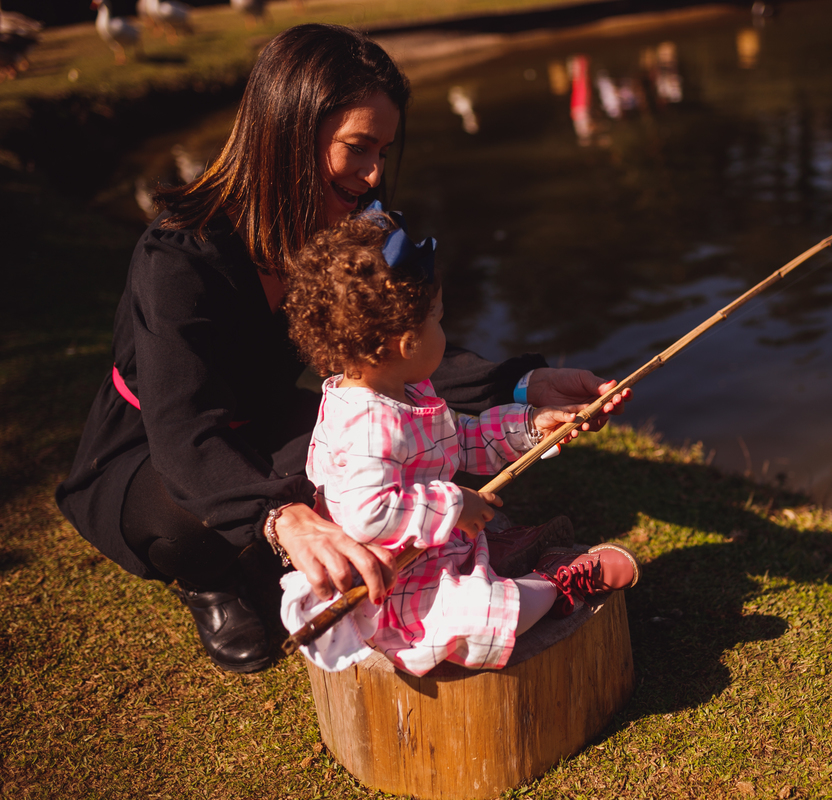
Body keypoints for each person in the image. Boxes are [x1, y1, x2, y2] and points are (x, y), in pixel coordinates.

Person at [55, 23, 630, 674]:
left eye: (383, 150)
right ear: (289, 130)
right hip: (151, 452)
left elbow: (396, 350)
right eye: (359, 148)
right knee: (195, 517)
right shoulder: (180, 255)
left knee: (400, 451)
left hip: (267, 424)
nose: (374, 173)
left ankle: (409, 570)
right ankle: (211, 578)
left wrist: (521, 387)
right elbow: (185, 434)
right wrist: (282, 517)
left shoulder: (345, 226)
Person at [279, 211, 638, 674]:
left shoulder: (404, 392)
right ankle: (555, 581)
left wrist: (532, 427)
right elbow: (369, 512)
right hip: (396, 575)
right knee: (481, 624)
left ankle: (510, 563)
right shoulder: (368, 423)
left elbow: (459, 441)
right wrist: (453, 504)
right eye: (438, 319)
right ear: (407, 343)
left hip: (427, 550)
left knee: (478, 588)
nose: (445, 334)